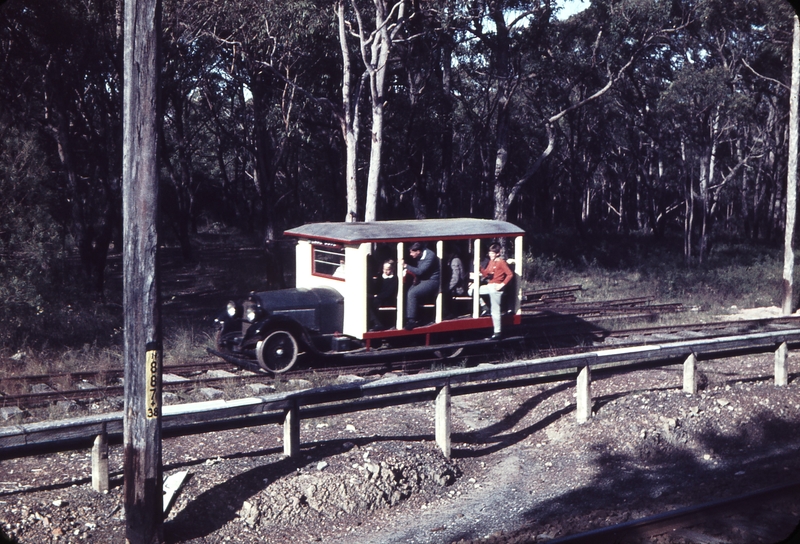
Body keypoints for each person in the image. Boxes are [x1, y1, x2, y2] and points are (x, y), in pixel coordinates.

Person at [473, 243, 513, 340]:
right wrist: (479, 267)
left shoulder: (501, 262)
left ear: (498, 253)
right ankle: (485, 307)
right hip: (490, 285)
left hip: (496, 287)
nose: (490, 254)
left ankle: (497, 332)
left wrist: (502, 285)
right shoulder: (491, 262)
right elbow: (487, 274)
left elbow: (510, 274)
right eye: (490, 252)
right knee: (472, 291)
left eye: (492, 253)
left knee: (495, 310)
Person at [401, 242, 440, 330]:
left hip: (432, 281)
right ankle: (408, 316)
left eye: (411, 252)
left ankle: (411, 320)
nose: (410, 255)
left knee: (412, 293)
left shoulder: (430, 256)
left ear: (418, 251)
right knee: (407, 291)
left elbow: (420, 271)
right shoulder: (420, 255)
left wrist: (405, 265)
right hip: (422, 280)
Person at [368, 260, 398, 330]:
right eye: (384, 269)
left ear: (392, 269)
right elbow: (376, 288)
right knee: (367, 301)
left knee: (372, 303)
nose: (385, 271)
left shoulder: (394, 279)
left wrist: (376, 296)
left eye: (388, 269)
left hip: (388, 299)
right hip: (379, 297)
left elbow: (389, 292)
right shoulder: (380, 276)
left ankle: (377, 323)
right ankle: (372, 322)